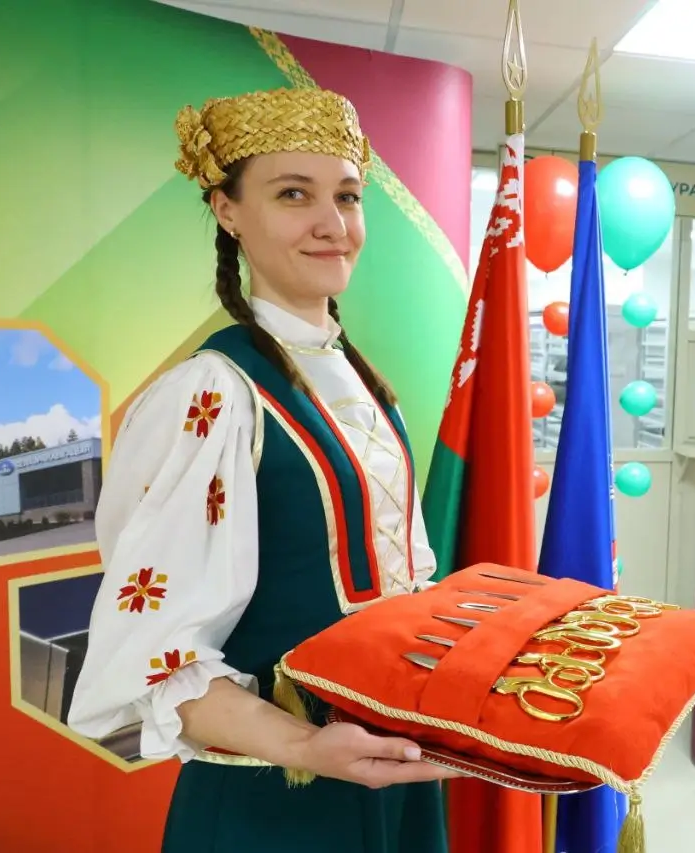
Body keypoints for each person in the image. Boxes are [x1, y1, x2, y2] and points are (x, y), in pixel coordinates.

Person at [67, 87, 458, 852]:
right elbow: (156, 654)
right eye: (293, 194)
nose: (332, 223)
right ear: (228, 210)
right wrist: (307, 745)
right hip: (279, 790)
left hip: (390, 766)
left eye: (347, 196)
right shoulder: (214, 395)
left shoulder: (366, 383)